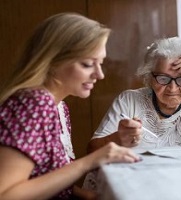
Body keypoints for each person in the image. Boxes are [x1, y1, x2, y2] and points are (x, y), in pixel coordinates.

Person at [0, 13, 142, 199]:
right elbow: (6, 194)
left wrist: (86, 196)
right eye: (87, 64)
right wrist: (90, 161)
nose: (100, 75)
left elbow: (42, 177)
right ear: (52, 61)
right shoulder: (34, 104)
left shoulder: (59, 107)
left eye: (100, 64)